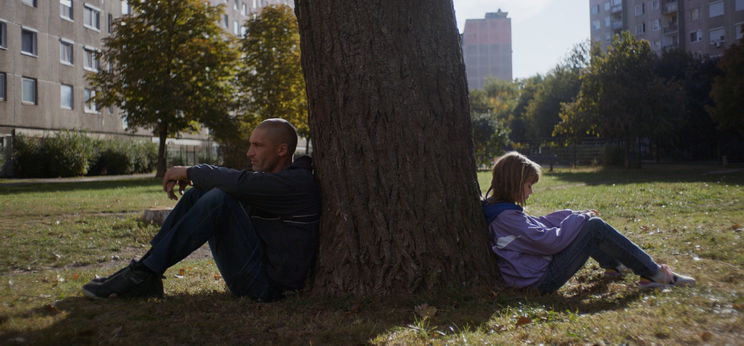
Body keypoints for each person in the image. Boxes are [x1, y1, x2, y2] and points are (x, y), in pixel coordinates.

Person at [82, 118, 320, 301]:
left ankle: (143, 273)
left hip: (269, 288)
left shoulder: (296, 183)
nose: (249, 153)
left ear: (281, 150)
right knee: (200, 193)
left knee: (219, 197)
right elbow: (238, 183)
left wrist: (190, 171)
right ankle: (144, 272)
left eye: (257, 146)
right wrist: (199, 182)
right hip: (256, 272)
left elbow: (237, 182)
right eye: (250, 145)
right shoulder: (270, 181)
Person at [482, 151, 695, 294]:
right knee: (592, 227)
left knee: (585, 226)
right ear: (515, 184)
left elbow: (540, 222)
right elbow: (548, 242)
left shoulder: (502, 211)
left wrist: (575, 214)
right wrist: (580, 218)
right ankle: (655, 273)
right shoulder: (506, 217)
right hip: (539, 282)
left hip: (535, 274)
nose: (531, 191)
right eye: (529, 185)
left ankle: (614, 266)